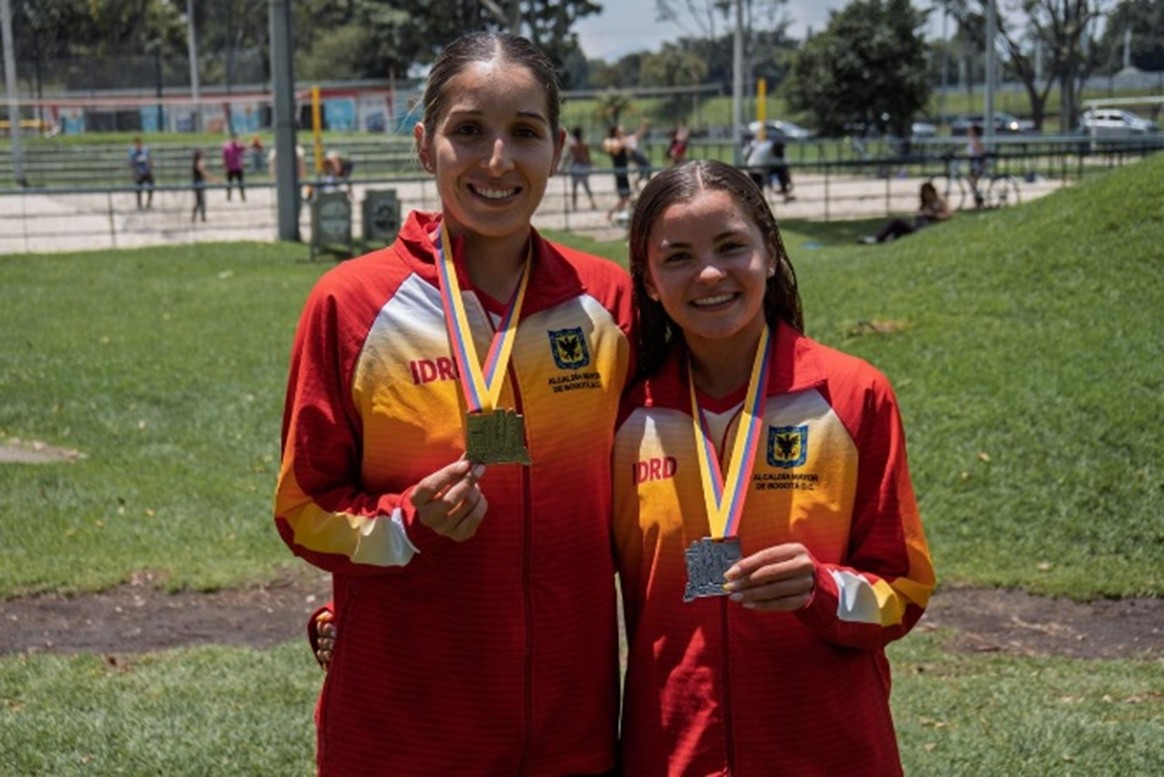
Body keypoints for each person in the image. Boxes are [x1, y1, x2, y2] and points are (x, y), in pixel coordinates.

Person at [275, 30, 633, 776]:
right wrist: (403, 526)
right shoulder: (352, 303)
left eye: (524, 133)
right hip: (402, 730)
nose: (497, 160)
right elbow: (304, 507)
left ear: (558, 149)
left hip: (571, 732)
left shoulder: (609, 302)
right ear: (423, 143)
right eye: (468, 130)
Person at [615, 160, 935, 775]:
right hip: (674, 748)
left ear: (769, 248)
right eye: (677, 256)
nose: (709, 273)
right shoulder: (626, 417)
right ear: (649, 281)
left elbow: (903, 589)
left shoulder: (850, 395)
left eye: (732, 246)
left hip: (827, 746)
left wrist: (821, 589)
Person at [859, 180, 951, 244]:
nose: (927, 196)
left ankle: (878, 239)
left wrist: (932, 215)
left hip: (924, 229)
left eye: (928, 193)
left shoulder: (939, 202)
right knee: (898, 226)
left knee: (897, 222)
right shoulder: (925, 204)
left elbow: (947, 215)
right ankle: (882, 238)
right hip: (918, 227)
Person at [602, 125, 633, 224]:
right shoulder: (612, 142)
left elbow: (629, 150)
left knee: (626, 195)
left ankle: (619, 214)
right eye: (620, 130)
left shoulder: (620, 141)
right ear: (616, 131)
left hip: (623, 170)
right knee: (625, 195)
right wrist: (623, 140)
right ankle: (611, 213)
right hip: (619, 171)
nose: (622, 131)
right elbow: (615, 149)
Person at [564, 125, 597, 211]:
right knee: (587, 186)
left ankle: (574, 206)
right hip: (583, 165)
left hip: (575, 166)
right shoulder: (585, 144)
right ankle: (592, 202)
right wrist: (590, 165)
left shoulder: (572, 145)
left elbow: (568, 157)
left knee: (574, 188)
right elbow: (588, 156)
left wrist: (564, 165)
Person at [190, 149, 218, 223]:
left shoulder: (197, 162)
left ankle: (198, 217)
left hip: (198, 182)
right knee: (200, 200)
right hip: (198, 183)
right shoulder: (198, 163)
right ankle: (200, 217)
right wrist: (214, 180)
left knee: (200, 201)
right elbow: (204, 173)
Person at [623, 118, 652, 189]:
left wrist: (644, 126)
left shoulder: (631, 138)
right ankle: (642, 183)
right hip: (635, 154)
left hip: (636, 154)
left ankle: (641, 183)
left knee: (646, 168)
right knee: (645, 167)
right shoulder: (626, 140)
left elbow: (639, 132)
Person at [128, 136, 154, 210]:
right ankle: (139, 205)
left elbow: (150, 159)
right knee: (138, 190)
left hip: (146, 172)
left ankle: (149, 203)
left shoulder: (146, 150)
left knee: (151, 187)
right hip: (138, 173)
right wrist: (132, 172)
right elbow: (130, 163)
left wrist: (151, 169)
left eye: (140, 143)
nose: (139, 145)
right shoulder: (132, 152)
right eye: (137, 144)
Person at [222, 132, 247, 201]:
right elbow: (224, 157)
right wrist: (225, 166)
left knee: (241, 183)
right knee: (229, 183)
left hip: (238, 167)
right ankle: (228, 196)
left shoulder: (239, 146)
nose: (234, 140)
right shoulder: (227, 147)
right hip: (230, 168)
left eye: (235, 138)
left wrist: (240, 141)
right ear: (231, 139)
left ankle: (243, 196)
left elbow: (244, 148)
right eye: (233, 138)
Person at [967, 124, 986, 207]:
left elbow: (980, 152)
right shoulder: (972, 140)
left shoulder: (976, 140)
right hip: (973, 163)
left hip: (977, 163)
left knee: (973, 182)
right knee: (972, 182)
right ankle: (977, 198)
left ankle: (978, 198)